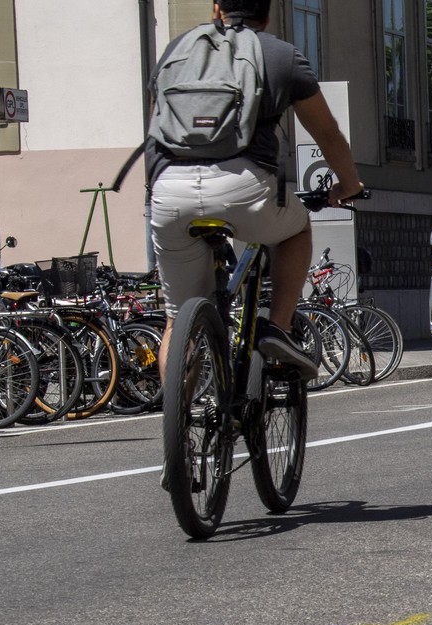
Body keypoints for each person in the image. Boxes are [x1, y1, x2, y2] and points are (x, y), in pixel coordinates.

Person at [147, 0, 364, 381]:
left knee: (176, 322)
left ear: (216, 9)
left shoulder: (177, 49)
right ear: (267, 15)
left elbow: (156, 124)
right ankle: (276, 328)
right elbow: (327, 133)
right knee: (296, 230)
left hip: (170, 188)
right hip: (242, 186)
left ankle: (180, 429)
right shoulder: (281, 56)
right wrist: (349, 184)